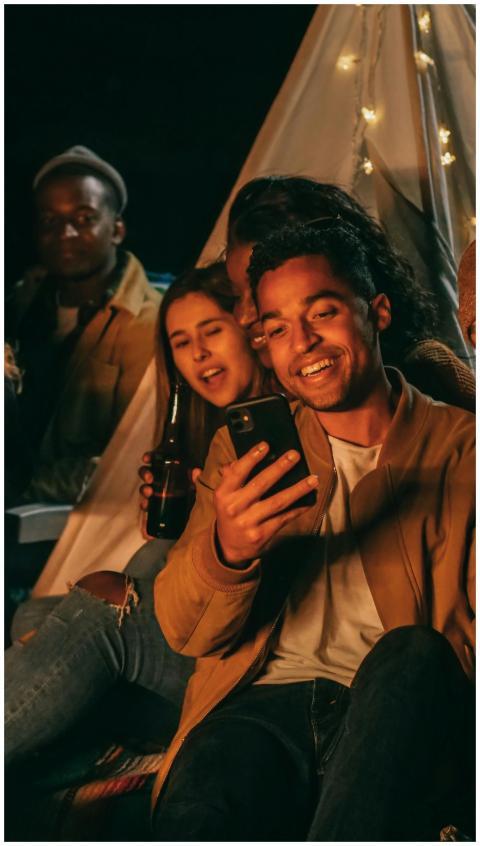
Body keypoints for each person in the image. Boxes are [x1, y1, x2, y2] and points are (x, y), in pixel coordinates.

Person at [150, 220, 475, 842]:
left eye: (322, 313)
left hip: (391, 711)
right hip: (261, 708)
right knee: (206, 797)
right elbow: (182, 630)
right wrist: (228, 551)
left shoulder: (462, 449)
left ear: (376, 312)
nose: (301, 343)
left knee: (413, 653)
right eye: (275, 329)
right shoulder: (241, 451)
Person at [5, 262, 262, 772]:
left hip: (236, 659)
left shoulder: (272, 430)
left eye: (212, 331)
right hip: (190, 624)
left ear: (249, 328)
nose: (199, 353)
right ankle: (73, 740)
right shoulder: (211, 435)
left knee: (100, 605)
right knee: (35, 616)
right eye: (181, 342)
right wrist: (184, 520)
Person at [225, 175, 476, 411]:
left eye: (322, 311)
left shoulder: (427, 373)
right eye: (237, 295)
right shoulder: (265, 404)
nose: (245, 317)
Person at [6, 145, 162, 504]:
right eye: (50, 221)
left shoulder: (148, 324)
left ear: (117, 229)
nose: (66, 234)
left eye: (83, 218)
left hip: (82, 528)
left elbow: (130, 465)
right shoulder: (21, 304)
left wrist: (16, 486)